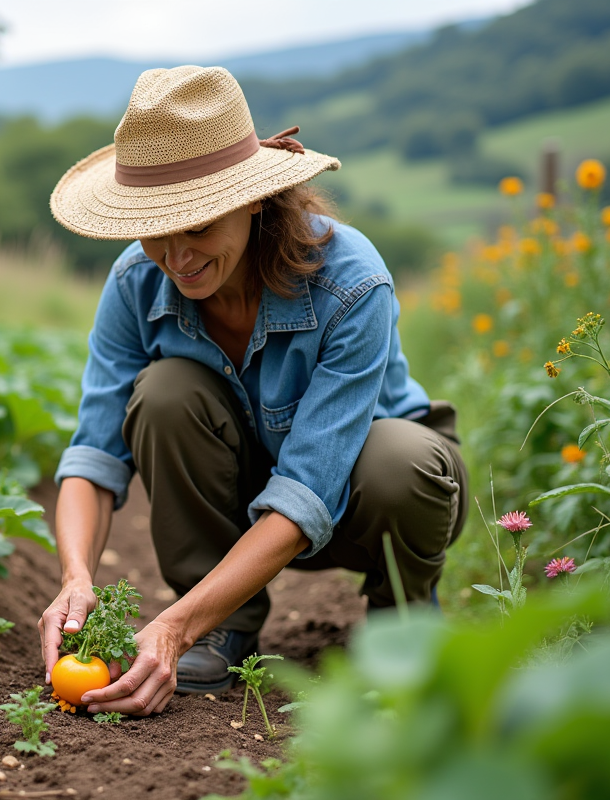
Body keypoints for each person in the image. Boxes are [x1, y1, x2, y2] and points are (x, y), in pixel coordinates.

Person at [37, 65, 467, 717]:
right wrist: (73, 578)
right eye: (156, 229)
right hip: (236, 504)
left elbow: (308, 490)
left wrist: (171, 625)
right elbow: (95, 454)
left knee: (399, 463)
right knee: (165, 392)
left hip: (360, 503)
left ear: (255, 200)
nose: (176, 257)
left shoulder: (351, 285)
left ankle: (401, 622)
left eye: (199, 227)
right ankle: (225, 624)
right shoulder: (134, 285)